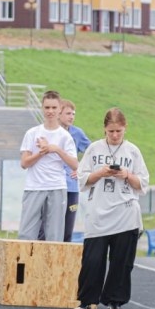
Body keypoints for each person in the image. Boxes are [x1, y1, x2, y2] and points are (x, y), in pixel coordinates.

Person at [69, 108, 149, 309]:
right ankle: (86, 301)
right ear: (104, 128)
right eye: (111, 131)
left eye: (119, 131)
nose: (115, 135)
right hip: (98, 212)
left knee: (121, 262)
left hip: (126, 213)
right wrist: (101, 173)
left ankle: (115, 303)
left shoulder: (132, 151)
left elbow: (143, 183)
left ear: (125, 129)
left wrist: (126, 174)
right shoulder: (94, 149)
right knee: (93, 260)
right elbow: (82, 179)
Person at [18, 90, 77, 241]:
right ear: (42, 108)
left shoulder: (65, 136)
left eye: (54, 108)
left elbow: (74, 164)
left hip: (57, 187)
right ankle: (26, 264)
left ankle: (51, 265)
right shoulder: (32, 133)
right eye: (47, 107)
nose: (50, 111)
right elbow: (24, 163)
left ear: (59, 110)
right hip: (34, 187)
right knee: (27, 233)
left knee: (54, 234)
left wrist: (56, 149)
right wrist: (42, 152)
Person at [58, 98, 90, 241]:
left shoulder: (77, 133)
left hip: (71, 187)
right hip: (54, 186)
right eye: (68, 113)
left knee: (67, 230)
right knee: (48, 228)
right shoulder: (49, 132)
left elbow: (93, 153)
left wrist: (82, 170)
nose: (71, 117)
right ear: (59, 114)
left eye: (73, 114)